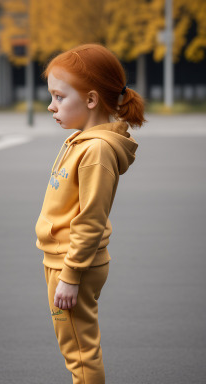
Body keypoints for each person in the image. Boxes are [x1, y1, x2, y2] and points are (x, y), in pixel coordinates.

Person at [35, 43, 145, 384]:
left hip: (73, 264)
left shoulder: (96, 150)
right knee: (75, 346)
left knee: (80, 352)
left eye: (59, 96)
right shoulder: (82, 140)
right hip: (64, 260)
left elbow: (90, 220)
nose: (51, 106)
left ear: (91, 100)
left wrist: (70, 275)